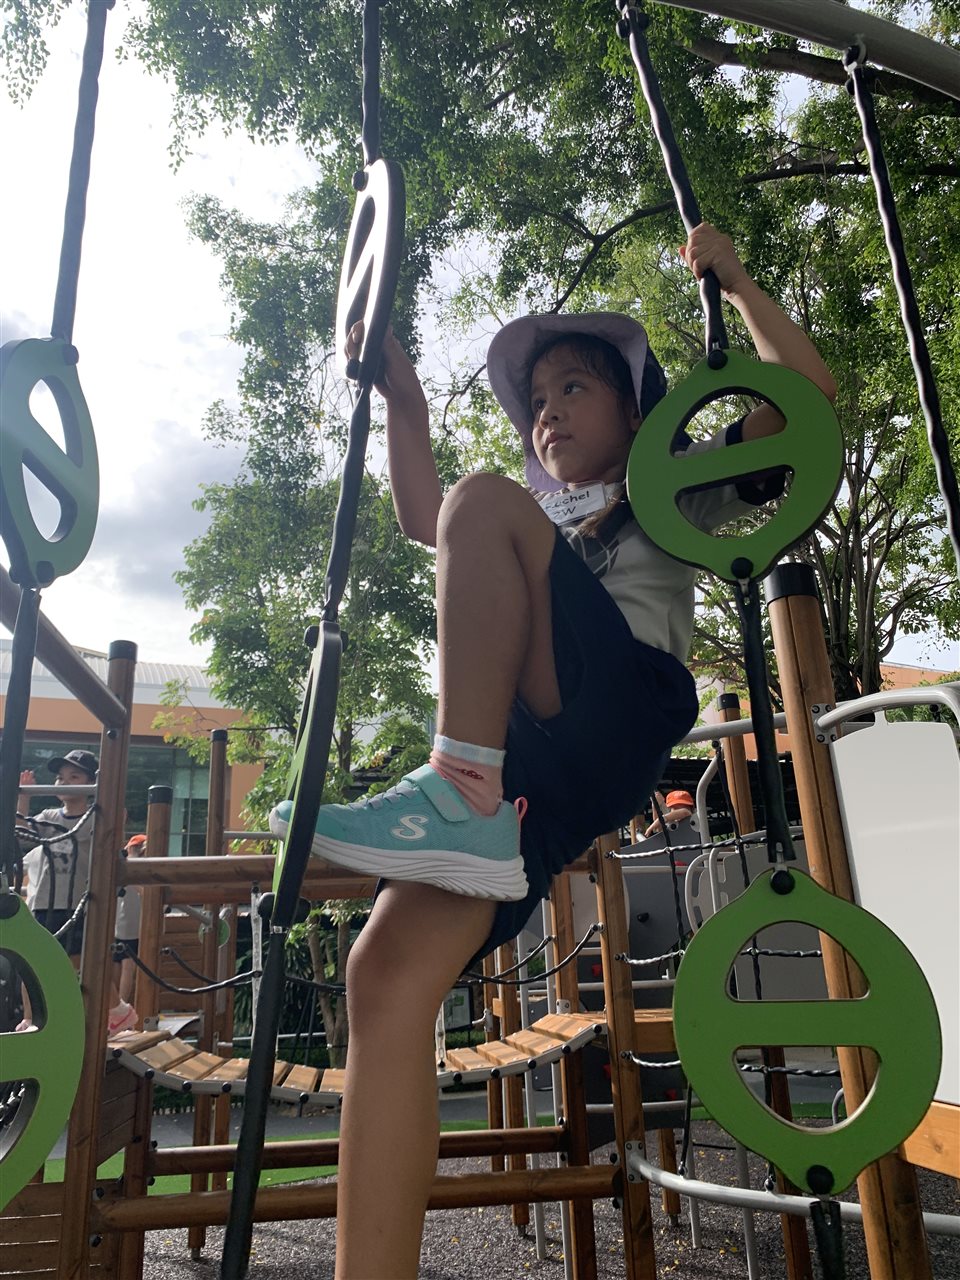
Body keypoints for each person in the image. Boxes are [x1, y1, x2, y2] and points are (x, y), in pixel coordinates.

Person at [269, 222, 836, 1278]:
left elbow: (807, 400)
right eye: (537, 400)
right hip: (535, 769)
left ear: (637, 412)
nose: (548, 411)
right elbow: (426, 519)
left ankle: (457, 784)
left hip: (618, 705)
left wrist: (739, 282)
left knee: (482, 502)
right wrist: (404, 398)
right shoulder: (542, 515)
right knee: (383, 973)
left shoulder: (673, 482)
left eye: (575, 387)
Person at [16, 750, 137, 1035]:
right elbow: (20, 831)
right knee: (33, 960)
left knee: (82, 960)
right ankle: (30, 1019)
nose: (65, 782)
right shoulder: (49, 816)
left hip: (79, 903)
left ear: (90, 784)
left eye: (74, 777)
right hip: (45, 902)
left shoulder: (96, 817)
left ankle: (116, 1010)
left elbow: (113, 842)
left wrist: (116, 813)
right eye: (60, 778)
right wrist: (25, 796)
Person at [115, 834, 147, 1007]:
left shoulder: (122, 866)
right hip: (134, 926)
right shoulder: (142, 868)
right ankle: (121, 1004)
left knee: (116, 965)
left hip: (118, 924)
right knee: (128, 967)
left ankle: (113, 1006)